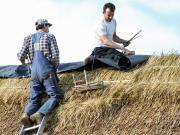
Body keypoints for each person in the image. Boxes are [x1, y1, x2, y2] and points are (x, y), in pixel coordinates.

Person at [17, 19, 64, 126]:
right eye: (48, 26)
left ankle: (26, 114)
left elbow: (21, 56)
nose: (48, 28)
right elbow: (55, 56)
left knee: (34, 99)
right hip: (46, 70)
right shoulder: (49, 36)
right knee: (56, 95)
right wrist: (53, 69)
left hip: (34, 72)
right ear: (44, 26)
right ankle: (40, 113)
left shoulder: (28, 38)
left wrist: (27, 64)